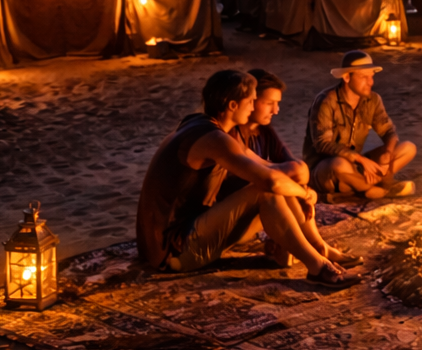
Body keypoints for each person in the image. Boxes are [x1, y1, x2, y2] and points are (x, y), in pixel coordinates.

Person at [136, 69, 353, 284]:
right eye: (250, 101)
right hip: (171, 251)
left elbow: (269, 169)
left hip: (164, 244)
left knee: (276, 187)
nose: (252, 107)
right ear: (233, 105)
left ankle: (315, 247)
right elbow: (269, 181)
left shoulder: (205, 126)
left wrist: (296, 182)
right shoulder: (214, 139)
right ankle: (317, 266)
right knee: (265, 190)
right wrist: (305, 192)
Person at [222, 68, 350, 266]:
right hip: (229, 220)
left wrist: (302, 190)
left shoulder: (264, 132)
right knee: (286, 181)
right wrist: (301, 192)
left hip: (261, 209)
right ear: (250, 99)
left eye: (277, 103)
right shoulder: (230, 136)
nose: (276, 110)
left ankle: (314, 244)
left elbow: (294, 168)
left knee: (292, 179)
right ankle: (314, 249)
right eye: (269, 103)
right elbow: (287, 173)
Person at [304, 51, 417, 201]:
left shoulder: (373, 100)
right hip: (325, 168)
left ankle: (363, 186)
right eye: (364, 77)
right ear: (347, 77)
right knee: (339, 165)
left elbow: (389, 131)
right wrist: (361, 160)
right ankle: (376, 190)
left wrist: (387, 153)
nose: (371, 82)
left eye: (371, 76)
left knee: (408, 148)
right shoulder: (326, 101)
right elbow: (323, 144)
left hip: (354, 167)